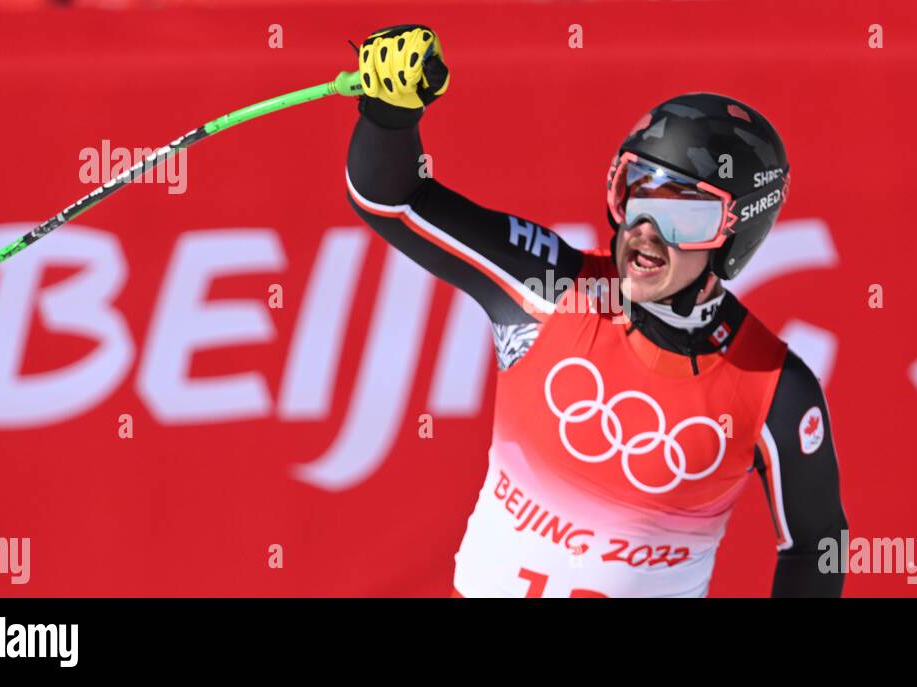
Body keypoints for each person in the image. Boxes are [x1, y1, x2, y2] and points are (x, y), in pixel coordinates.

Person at [345, 25, 848, 597]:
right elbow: (394, 199)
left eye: (684, 217)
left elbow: (817, 544)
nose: (644, 232)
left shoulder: (772, 387)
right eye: (633, 193)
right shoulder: (552, 287)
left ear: (735, 236)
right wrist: (390, 115)